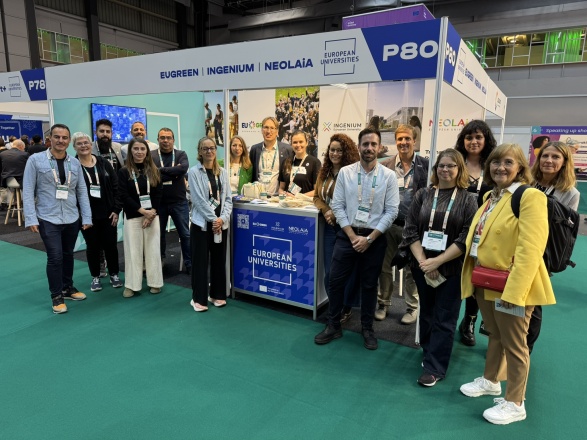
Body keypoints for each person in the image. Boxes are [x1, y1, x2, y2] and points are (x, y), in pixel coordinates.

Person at [460, 143, 554, 425]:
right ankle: (491, 380)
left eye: (508, 162)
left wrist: (515, 291)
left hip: (511, 284)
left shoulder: (530, 196)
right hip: (486, 279)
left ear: (520, 167)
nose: (500, 167)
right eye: (495, 162)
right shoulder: (491, 196)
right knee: (495, 335)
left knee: (515, 344)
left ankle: (515, 402)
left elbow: (531, 249)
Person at [314, 127, 399, 350]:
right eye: (365, 144)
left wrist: (369, 239)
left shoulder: (389, 176)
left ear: (379, 147)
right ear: (359, 147)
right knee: (335, 281)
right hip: (347, 235)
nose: (369, 148)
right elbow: (337, 206)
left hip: (375, 238)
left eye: (373, 144)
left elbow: (392, 211)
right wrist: (352, 236)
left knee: (369, 285)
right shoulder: (346, 173)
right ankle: (333, 325)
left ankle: (367, 329)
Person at [402, 149, 477, 386]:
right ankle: (428, 351)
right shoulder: (423, 195)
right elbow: (410, 229)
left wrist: (439, 261)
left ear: (459, 169)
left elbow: (466, 237)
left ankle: (435, 367)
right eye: (441, 165)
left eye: (451, 166)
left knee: (445, 316)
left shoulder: (468, 199)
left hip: (451, 267)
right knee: (427, 312)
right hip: (422, 264)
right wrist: (425, 262)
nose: (445, 170)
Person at [23, 123, 92, 314]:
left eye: (64, 137)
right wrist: (30, 218)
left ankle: (67, 288)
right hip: (48, 217)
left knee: (68, 254)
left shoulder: (75, 163)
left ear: (69, 140)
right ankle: (56, 295)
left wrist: (86, 216)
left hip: (71, 216)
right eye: (57, 137)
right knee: (55, 256)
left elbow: (82, 191)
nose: (61, 140)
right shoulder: (35, 160)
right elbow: (27, 190)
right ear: (50, 139)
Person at [527, 141, 579, 353]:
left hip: (542, 254)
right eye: (545, 156)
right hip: (516, 247)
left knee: (533, 302)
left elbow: (563, 231)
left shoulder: (570, 193)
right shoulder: (527, 182)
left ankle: (525, 348)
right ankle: (505, 342)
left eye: (555, 157)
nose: (549, 160)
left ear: (565, 162)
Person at [376, 124, 429, 324]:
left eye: (407, 138)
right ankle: (383, 303)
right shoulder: (385, 165)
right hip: (389, 225)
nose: (403, 142)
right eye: (400, 139)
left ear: (414, 140)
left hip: (414, 228)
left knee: (411, 270)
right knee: (384, 267)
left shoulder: (426, 165)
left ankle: (411, 307)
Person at [455, 120, 497, 346]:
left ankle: (469, 321)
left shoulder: (493, 165)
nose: (473, 141)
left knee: (477, 277)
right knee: (454, 274)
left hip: (483, 232)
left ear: (486, 139)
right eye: (469, 137)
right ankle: (449, 317)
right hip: (455, 229)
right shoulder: (455, 162)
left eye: (478, 137)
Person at [313, 133, 360, 323]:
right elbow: (316, 197)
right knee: (330, 273)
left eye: (339, 150)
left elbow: (356, 200)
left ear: (346, 152)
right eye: (332, 150)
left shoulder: (352, 173)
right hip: (329, 228)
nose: (335, 153)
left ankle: (345, 308)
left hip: (346, 229)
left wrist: (336, 213)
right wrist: (326, 210)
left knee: (345, 272)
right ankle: (336, 307)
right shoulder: (324, 172)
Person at [72, 132, 123, 292]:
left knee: (111, 245)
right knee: (92, 246)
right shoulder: (73, 165)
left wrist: (116, 209)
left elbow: (116, 186)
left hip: (108, 213)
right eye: (79, 143)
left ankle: (114, 274)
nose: (83, 146)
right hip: (87, 215)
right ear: (74, 147)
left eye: (86, 142)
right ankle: (95, 276)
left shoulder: (103, 162)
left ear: (91, 144)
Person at [188, 137, 232, 312]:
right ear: (199, 151)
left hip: (220, 224)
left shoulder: (223, 172)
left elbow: (228, 199)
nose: (209, 151)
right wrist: (214, 220)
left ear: (216, 149)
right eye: (205, 148)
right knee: (200, 262)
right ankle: (198, 299)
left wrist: (222, 219)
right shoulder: (194, 172)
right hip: (202, 225)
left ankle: (217, 294)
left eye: (212, 148)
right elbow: (198, 200)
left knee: (219, 260)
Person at [118, 137, 163, 298]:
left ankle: (155, 282)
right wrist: (143, 212)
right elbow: (123, 196)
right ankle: (132, 285)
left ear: (147, 152)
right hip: (133, 216)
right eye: (136, 149)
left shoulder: (154, 170)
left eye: (142, 149)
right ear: (130, 151)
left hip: (152, 216)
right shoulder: (124, 171)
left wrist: (152, 213)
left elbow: (158, 193)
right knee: (133, 252)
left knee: (153, 250)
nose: (139, 152)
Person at [151, 127, 191, 274]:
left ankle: (189, 263)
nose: (166, 140)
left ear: (173, 140)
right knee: (159, 235)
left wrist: (160, 171)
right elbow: (151, 175)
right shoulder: (151, 155)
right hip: (158, 203)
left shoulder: (181, 154)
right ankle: (160, 261)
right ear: (158, 140)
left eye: (168, 138)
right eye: (162, 138)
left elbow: (183, 169)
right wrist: (174, 172)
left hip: (179, 202)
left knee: (185, 234)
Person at [249, 116, 294, 197]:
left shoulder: (287, 150)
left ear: (277, 131)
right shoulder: (255, 149)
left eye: (272, 128)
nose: (268, 131)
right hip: (258, 198)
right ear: (262, 130)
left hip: (278, 199)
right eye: (266, 127)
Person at [278, 130, 321, 197]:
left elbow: (317, 191)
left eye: (301, 142)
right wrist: (283, 194)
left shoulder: (315, 162)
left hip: (305, 203)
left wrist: (298, 197)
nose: (298, 145)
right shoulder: (286, 162)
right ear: (291, 144)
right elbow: (281, 188)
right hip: (288, 202)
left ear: (306, 143)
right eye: (295, 142)